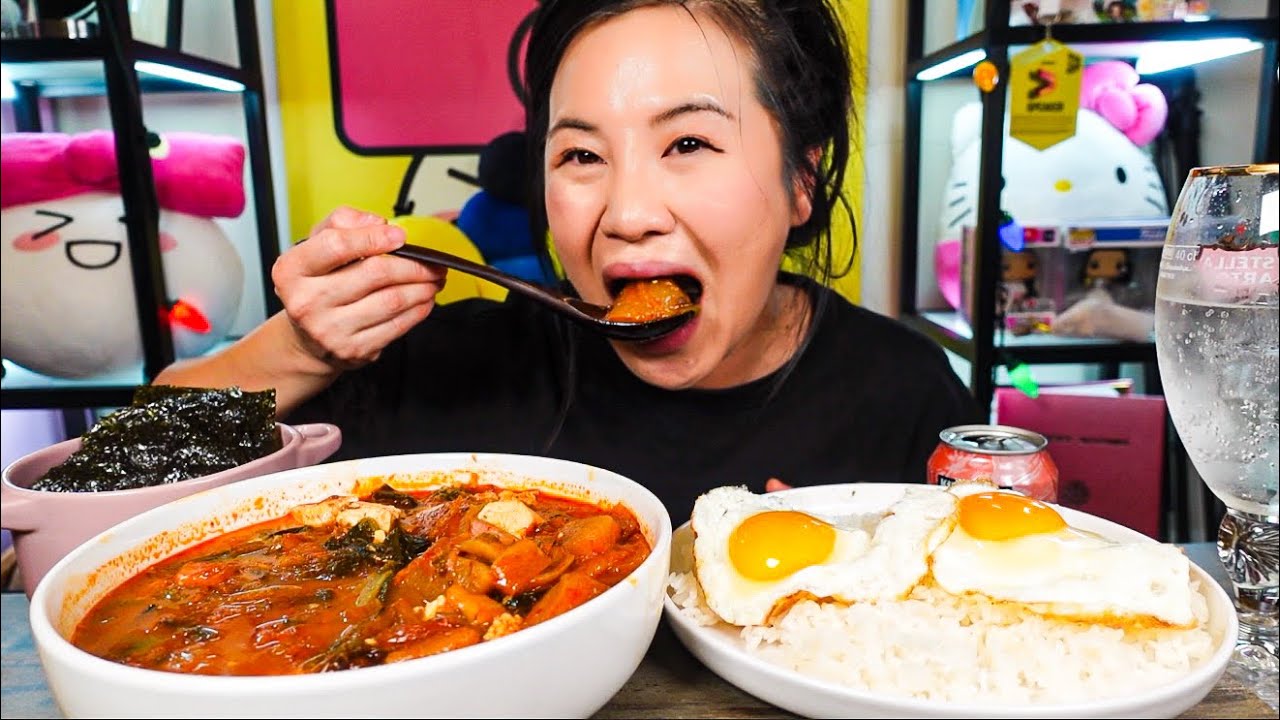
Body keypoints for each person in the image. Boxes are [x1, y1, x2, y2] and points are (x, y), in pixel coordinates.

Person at [156, 0, 979, 521]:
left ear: (801, 178)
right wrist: (299, 350)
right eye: (581, 156)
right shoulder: (458, 365)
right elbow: (124, 469)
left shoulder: (901, 391)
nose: (625, 215)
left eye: (688, 142)